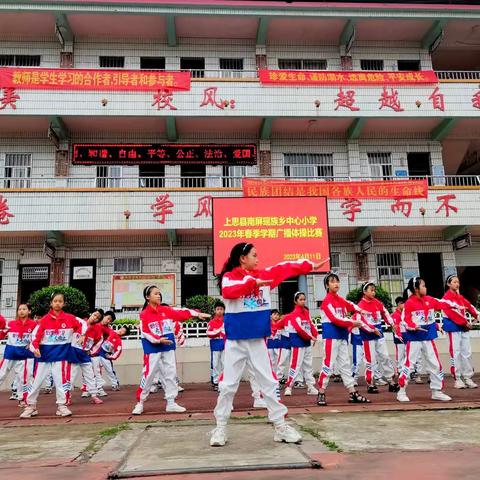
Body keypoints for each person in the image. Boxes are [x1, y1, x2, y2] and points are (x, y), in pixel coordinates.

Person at [209, 242, 329, 447]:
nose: (258, 259)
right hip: (235, 342)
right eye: (254, 255)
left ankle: (280, 426)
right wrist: (254, 284)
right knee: (228, 385)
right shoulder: (229, 277)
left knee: (270, 383)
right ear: (242, 258)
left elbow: (285, 267)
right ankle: (220, 427)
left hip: (258, 341)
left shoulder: (263, 275)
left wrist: (309, 266)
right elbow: (229, 292)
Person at [132, 285, 210, 415]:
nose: (159, 295)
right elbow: (145, 332)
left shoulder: (166, 310)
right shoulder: (144, 314)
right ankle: (140, 402)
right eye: (155, 293)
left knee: (171, 373)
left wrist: (197, 314)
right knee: (149, 374)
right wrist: (158, 340)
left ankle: (171, 402)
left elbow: (182, 312)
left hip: (168, 346)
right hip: (153, 347)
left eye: (159, 293)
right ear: (147, 297)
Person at [397, 276, 467, 402]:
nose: (426, 287)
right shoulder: (409, 303)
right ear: (416, 288)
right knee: (409, 364)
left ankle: (437, 391)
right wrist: (414, 327)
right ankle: (401, 392)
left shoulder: (430, 300)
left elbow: (443, 303)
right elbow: (404, 321)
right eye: (423, 286)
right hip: (414, 339)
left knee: (435, 365)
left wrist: (457, 306)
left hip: (428, 338)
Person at [20, 292, 84, 418]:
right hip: (44, 358)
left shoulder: (70, 318)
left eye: (60, 301)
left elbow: (82, 326)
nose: (57, 303)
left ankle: (62, 406)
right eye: (55, 301)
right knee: (36, 382)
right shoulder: (44, 320)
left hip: (61, 357)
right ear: (51, 303)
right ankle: (31, 407)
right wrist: (35, 348)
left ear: (64, 303)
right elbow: (35, 337)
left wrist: (82, 335)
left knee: (61, 383)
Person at [317, 273, 375, 406]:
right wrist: (352, 322)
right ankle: (321, 392)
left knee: (345, 366)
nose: (336, 283)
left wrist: (361, 311)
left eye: (337, 281)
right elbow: (335, 319)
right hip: (331, 337)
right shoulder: (327, 302)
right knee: (328, 365)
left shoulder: (340, 299)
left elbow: (351, 306)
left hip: (342, 337)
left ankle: (352, 392)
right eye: (332, 281)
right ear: (327, 285)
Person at [357, 282, 399, 394]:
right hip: (367, 336)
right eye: (371, 290)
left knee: (385, 356)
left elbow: (385, 313)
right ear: (364, 291)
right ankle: (370, 383)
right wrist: (372, 329)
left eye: (374, 290)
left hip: (379, 334)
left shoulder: (377, 303)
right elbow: (361, 321)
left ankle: (391, 381)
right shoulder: (360, 305)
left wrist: (392, 324)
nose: (373, 292)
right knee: (370, 360)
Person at [442, 274, 479, 389]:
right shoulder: (445, 299)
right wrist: (465, 322)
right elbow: (453, 314)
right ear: (448, 284)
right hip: (453, 328)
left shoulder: (460, 298)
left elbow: (470, 307)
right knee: (456, 353)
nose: (457, 284)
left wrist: (477, 315)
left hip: (463, 328)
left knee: (466, 353)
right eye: (454, 282)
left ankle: (467, 377)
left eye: (458, 282)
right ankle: (457, 378)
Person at [65, 309, 105, 405]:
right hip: (73, 353)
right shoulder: (80, 322)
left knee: (90, 376)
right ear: (92, 314)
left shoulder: (97, 330)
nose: (95, 318)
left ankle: (94, 395)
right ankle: (67, 397)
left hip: (85, 355)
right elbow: (69, 317)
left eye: (97, 318)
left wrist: (90, 351)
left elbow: (98, 342)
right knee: (70, 376)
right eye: (95, 315)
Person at [283, 292, 318, 397]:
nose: (303, 301)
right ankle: (289, 386)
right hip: (298, 342)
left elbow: (310, 324)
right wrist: (310, 336)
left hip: (306, 342)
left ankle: (311, 386)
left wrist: (315, 333)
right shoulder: (293, 314)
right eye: (300, 299)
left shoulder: (306, 312)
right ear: (295, 301)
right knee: (295, 365)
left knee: (308, 365)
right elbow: (299, 329)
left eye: (304, 299)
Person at [0, 304, 36, 406]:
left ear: (29, 311)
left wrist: (32, 343)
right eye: (19, 309)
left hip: (25, 355)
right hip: (10, 354)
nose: (21, 311)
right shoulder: (11, 324)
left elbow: (38, 336)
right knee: (1, 374)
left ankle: (23, 398)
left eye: (24, 309)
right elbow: (2, 333)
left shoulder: (33, 325)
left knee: (23, 378)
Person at [91, 310, 119, 396]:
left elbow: (114, 336)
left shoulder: (108, 329)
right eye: (108, 318)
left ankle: (110, 385)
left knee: (104, 369)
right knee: (91, 371)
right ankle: (89, 389)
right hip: (91, 351)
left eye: (110, 321)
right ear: (104, 316)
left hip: (101, 353)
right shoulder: (95, 323)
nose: (108, 321)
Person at [207, 300, 226, 391]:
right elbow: (208, 333)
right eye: (218, 309)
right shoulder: (211, 322)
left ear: (224, 311)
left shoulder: (227, 321)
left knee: (224, 363)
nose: (219, 311)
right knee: (215, 364)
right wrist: (218, 331)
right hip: (215, 345)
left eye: (221, 309)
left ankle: (223, 381)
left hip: (225, 345)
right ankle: (215, 381)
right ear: (215, 310)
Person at [391, 297, 406, 375]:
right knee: (400, 354)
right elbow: (395, 328)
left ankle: (404, 371)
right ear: (399, 304)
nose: (404, 305)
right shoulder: (395, 315)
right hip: (398, 338)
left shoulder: (404, 314)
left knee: (406, 354)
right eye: (403, 303)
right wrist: (399, 336)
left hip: (406, 336)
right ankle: (399, 370)